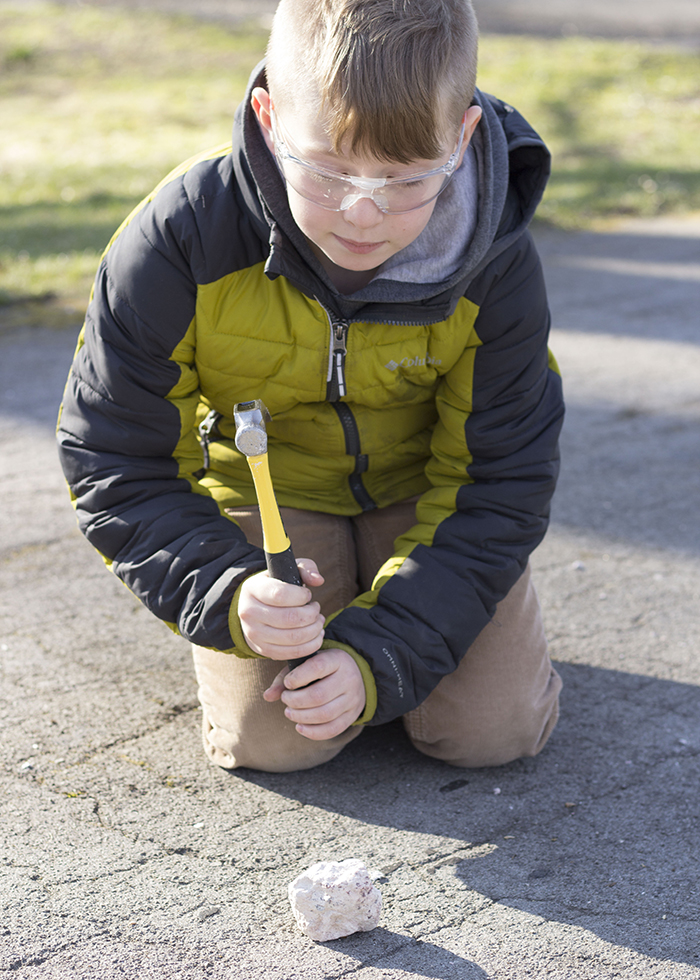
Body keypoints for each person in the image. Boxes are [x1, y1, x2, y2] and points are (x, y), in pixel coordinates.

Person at [57, 0, 564, 774]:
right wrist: (226, 591)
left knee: (493, 734)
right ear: (268, 119)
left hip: (428, 504)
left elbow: (502, 482)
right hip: (266, 507)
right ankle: (336, 627)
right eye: (328, 171)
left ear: (460, 139)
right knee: (279, 740)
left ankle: (428, 630)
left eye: (404, 178)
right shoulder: (176, 242)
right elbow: (113, 461)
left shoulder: (496, 264)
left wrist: (377, 656)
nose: (364, 213)